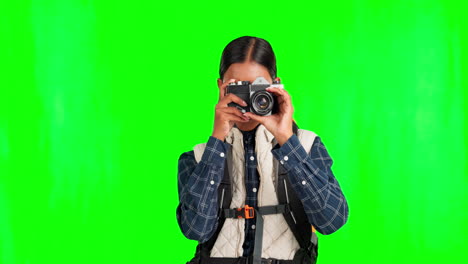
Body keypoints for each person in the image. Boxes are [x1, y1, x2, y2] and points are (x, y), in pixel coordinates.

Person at [176, 36, 349, 264]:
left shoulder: (306, 145)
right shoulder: (198, 156)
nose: (247, 99)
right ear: (220, 87)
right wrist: (217, 140)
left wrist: (286, 139)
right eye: (236, 88)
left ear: (276, 86)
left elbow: (332, 221)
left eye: (257, 87)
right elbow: (195, 230)